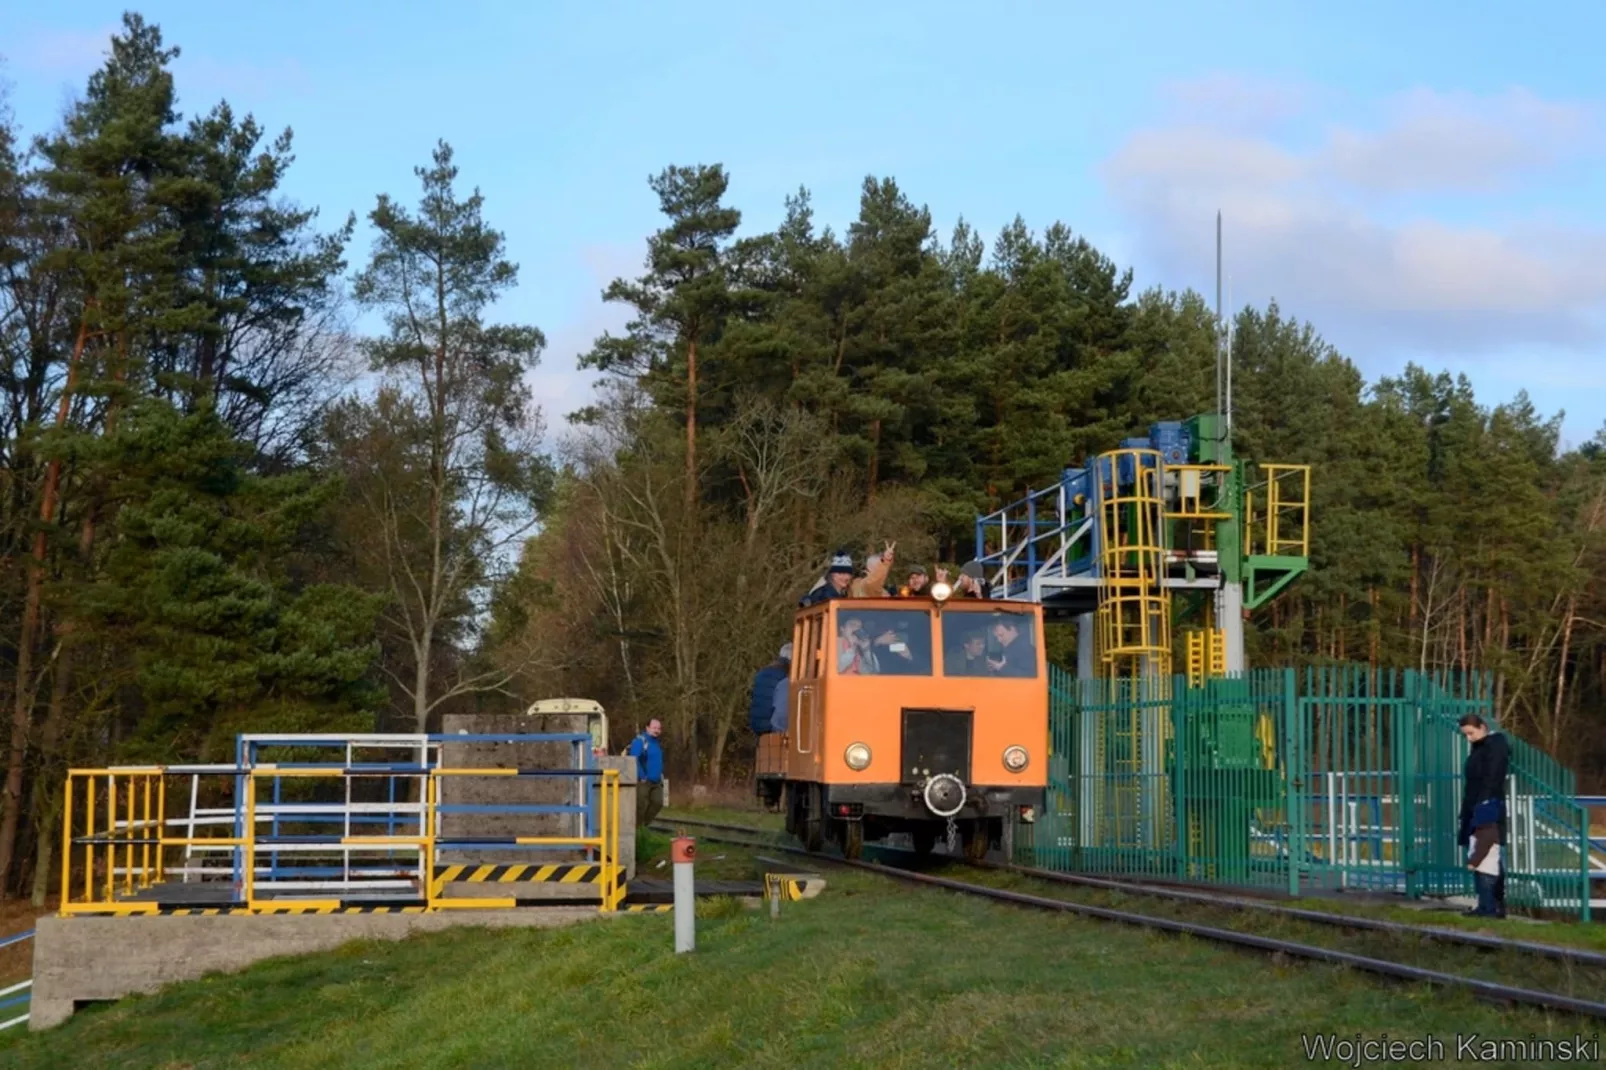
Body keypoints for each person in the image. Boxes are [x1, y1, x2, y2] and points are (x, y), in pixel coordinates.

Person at [1457, 713, 1510, 914]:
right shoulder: (1480, 747)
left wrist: (1483, 803)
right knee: (1480, 854)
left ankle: (1493, 904)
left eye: (1471, 733)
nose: (1468, 738)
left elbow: (1493, 776)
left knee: (1487, 854)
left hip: (1486, 805)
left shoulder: (1495, 746)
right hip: (1477, 804)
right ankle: (1487, 903)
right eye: (1466, 735)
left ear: (1482, 727)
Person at [1465, 798, 1504, 918]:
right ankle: (1483, 908)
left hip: (1487, 868)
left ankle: (1489, 910)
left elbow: (1481, 850)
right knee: (1483, 891)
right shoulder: (1485, 830)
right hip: (1483, 868)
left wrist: (1473, 863)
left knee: (1486, 891)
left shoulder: (1487, 833)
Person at [626, 719, 665, 828]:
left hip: (656, 781)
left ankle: (643, 826)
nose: (656, 731)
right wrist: (642, 775)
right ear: (647, 728)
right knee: (641, 805)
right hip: (644, 781)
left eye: (658, 728)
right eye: (654, 728)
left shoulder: (657, 743)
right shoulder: (640, 741)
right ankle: (636, 829)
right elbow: (634, 759)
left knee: (658, 803)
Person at [748, 644, 791, 735]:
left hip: (757, 725)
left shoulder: (762, 673)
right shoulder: (785, 679)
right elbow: (781, 712)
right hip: (772, 727)